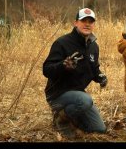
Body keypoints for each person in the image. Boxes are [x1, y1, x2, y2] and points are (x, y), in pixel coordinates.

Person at [43, 8, 108, 138]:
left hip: (77, 94)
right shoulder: (62, 43)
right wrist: (63, 66)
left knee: (99, 129)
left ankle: (73, 118)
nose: (87, 24)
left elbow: (94, 68)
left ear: (94, 24)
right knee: (85, 101)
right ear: (76, 23)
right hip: (57, 94)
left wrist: (100, 76)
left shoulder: (93, 46)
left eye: (91, 21)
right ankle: (60, 118)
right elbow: (46, 69)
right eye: (84, 20)